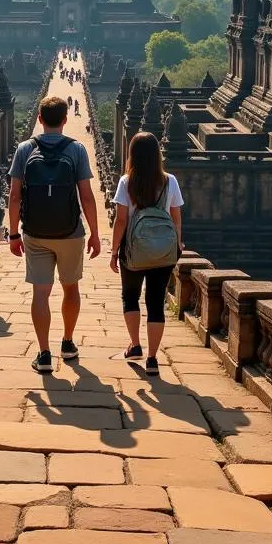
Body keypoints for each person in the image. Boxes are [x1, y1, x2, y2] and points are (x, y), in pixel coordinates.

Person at [8, 94, 101, 372]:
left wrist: (13, 234)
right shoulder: (77, 150)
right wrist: (95, 233)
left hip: (35, 232)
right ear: (65, 119)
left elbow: (14, 196)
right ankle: (68, 342)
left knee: (41, 293)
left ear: (39, 118)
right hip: (70, 231)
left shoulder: (25, 149)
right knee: (70, 287)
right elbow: (86, 196)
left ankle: (44, 353)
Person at [110, 131, 184, 376]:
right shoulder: (169, 181)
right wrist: (177, 244)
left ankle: (135, 345)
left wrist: (113, 251)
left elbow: (121, 221)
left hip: (133, 250)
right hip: (163, 252)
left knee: (130, 297)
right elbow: (176, 218)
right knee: (156, 303)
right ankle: (153, 359)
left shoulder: (126, 182)